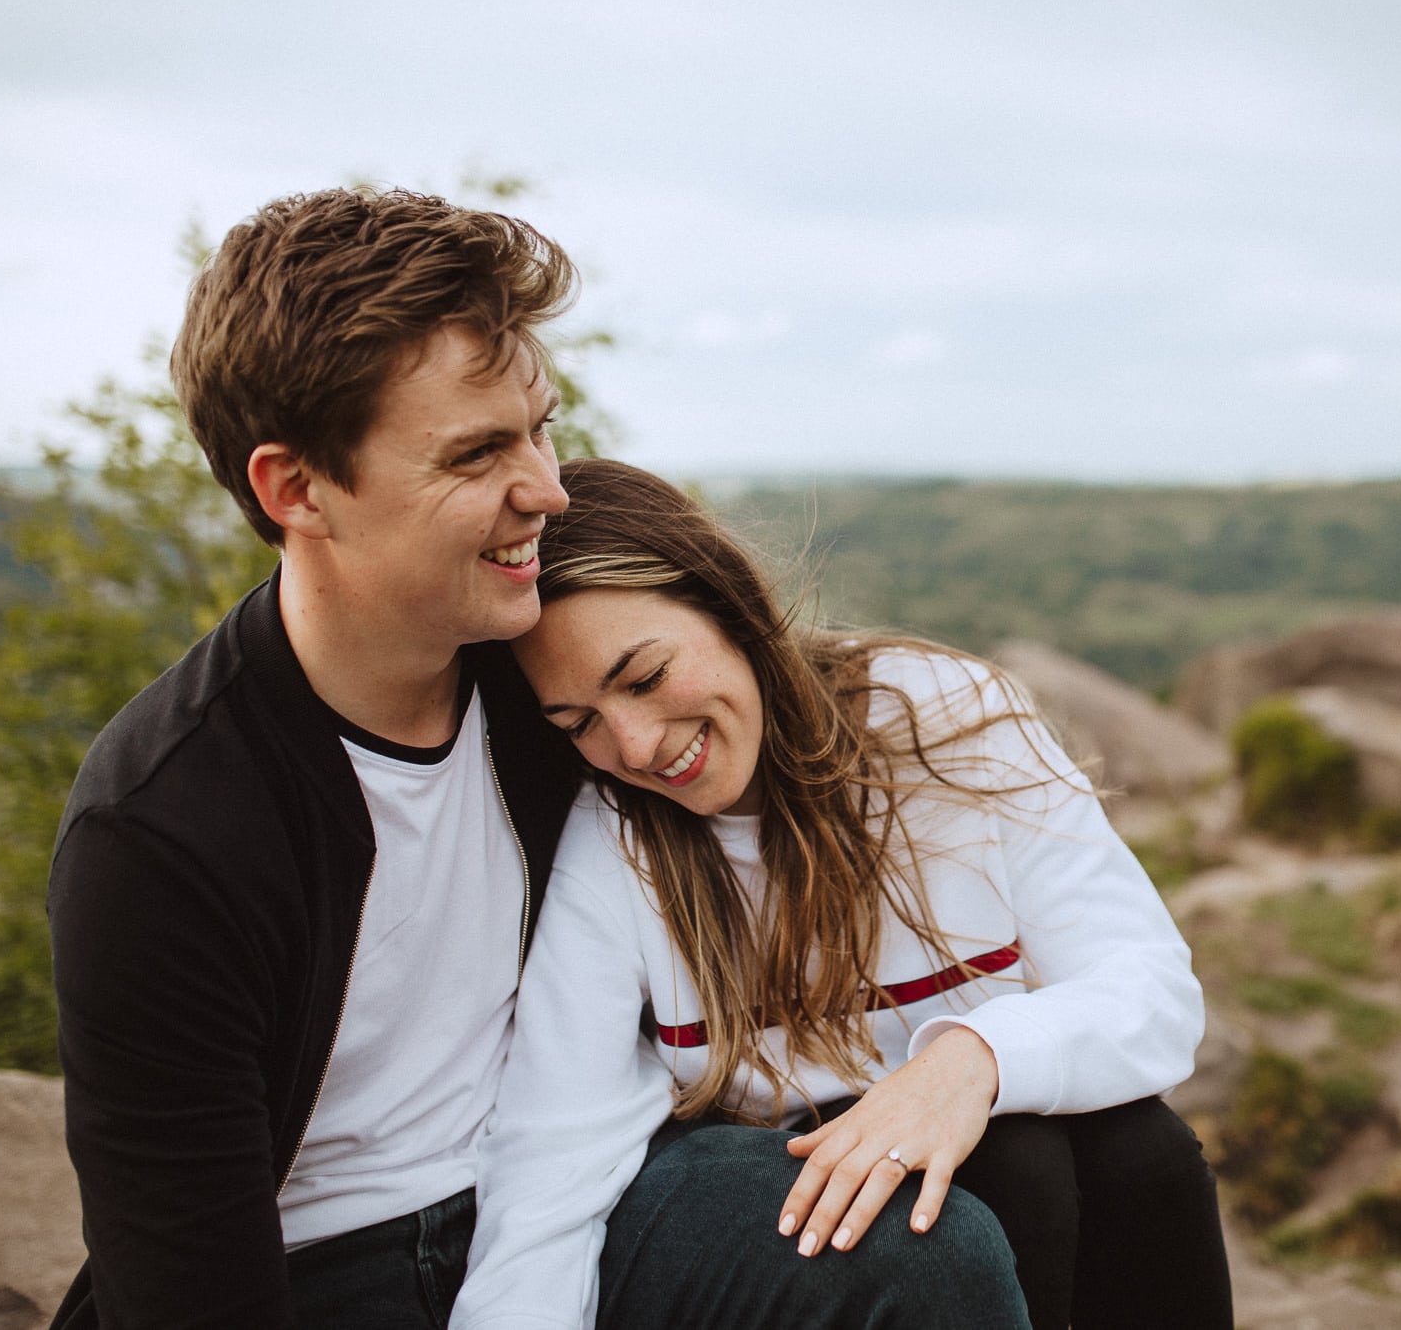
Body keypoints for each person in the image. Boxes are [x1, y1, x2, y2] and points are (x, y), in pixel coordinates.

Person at [47, 186, 1027, 1330]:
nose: (548, 490)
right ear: (295, 488)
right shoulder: (164, 830)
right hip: (313, 1271)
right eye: (475, 456)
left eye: (539, 427)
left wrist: (981, 1048)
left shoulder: (553, 686)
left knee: (920, 1244)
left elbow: (751, 683)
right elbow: (188, 1286)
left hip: (582, 1198)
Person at [452, 459, 1232, 1329]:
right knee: (1015, 1174)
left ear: (728, 604)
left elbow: (1153, 989)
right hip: (776, 1196)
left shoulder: (941, 721)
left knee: (1139, 1151)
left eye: (642, 676)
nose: (633, 746)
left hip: (987, 1143)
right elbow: (552, 1155)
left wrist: (969, 1059)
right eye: (580, 723)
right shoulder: (616, 840)